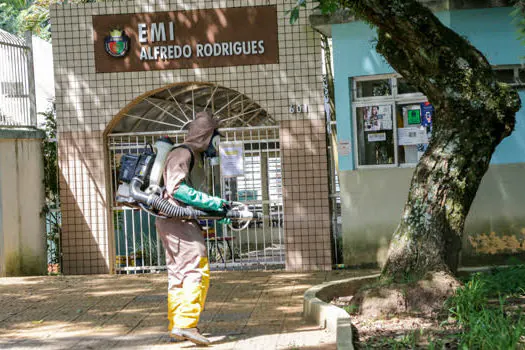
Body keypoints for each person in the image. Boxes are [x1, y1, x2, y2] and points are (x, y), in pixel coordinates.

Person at [156, 111, 229, 346]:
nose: (217, 143)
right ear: (207, 135)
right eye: (216, 137)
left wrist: (218, 211)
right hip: (178, 221)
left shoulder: (191, 154)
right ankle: (187, 324)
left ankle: (178, 325)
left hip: (174, 220)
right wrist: (212, 203)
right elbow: (177, 189)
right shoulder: (183, 153)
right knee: (196, 269)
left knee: (178, 274)